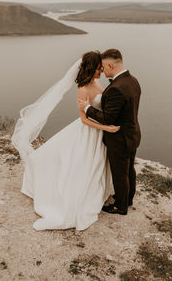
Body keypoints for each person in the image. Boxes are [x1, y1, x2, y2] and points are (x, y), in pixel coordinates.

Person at [12, 51, 119, 231]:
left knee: (96, 164)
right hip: (88, 131)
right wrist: (106, 128)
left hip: (99, 132)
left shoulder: (97, 82)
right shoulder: (83, 89)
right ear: (91, 68)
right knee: (72, 163)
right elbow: (85, 119)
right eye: (99, 68)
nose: (101, 71)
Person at [78, 49, 141, 215]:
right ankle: (128, 199)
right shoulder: (133, 81)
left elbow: (108, 119)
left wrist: (88, 108)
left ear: (111, 64)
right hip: (132, 133)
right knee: (129, 170)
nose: (102, 70)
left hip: (119, 138)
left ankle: (120, 207)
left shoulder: (116, 88)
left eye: (103, 67)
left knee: (120, 173)